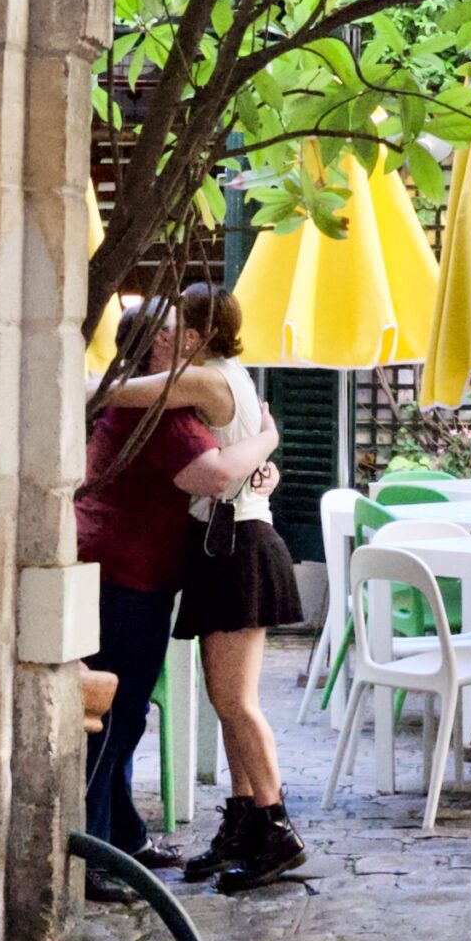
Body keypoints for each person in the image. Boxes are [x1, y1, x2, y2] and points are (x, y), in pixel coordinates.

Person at [75, 303, 279, 904]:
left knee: (126, 711)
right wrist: (266, 437)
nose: (185, 340)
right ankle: (94, 853)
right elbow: (212, 477)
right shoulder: (163, 415)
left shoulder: (159, 404)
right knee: (112, 714)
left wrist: (261, 465)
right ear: (156, 350)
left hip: (133, 570)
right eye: (170, 332)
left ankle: (125, 837)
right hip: (126, 573)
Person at [114, 282, 307, 892]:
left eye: (176, 326)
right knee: (226, 699)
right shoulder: (225, 374)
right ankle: (244, 822)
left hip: (238, 549)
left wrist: (266, 444)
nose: (168, 336)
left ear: (198, 335)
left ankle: (276, 827)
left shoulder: (204, 378)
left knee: (236, 701)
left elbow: (115, 393)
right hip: (224, 546)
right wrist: (266, 444)